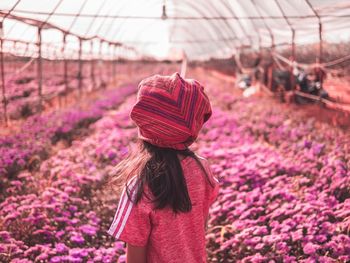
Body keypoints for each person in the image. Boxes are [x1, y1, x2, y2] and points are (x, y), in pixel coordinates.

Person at [107, 72, 219, 263]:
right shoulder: (203, 168)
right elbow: (202, 226)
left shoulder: (140, 185)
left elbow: (135, 257)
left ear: (143, 124)